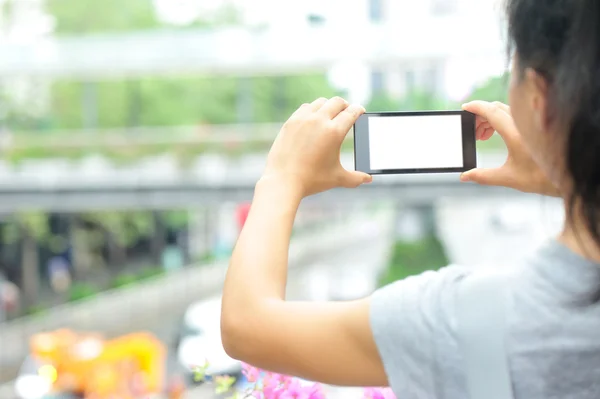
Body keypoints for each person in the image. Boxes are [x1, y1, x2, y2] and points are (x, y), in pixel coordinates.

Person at [220, 0, 600, 397]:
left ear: (539, 100)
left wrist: (281, 178)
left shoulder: (455, 319)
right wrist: (570, 178)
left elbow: (247, 327)